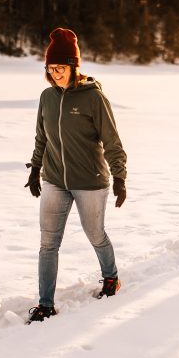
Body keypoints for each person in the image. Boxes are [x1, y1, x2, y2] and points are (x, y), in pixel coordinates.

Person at [24, 28, 127, 323]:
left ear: (74, 66)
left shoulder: (93, 98)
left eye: (62, 67)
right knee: (48, 243)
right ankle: (45, 304)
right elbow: (41, 137)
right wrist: (35, 169)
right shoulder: (47, 97)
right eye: (51, 68)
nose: (56, 73)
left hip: (90, 181)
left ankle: (111, 278)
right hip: (55, 179)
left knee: (95, 234)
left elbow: (112, 140)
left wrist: (119, 176)